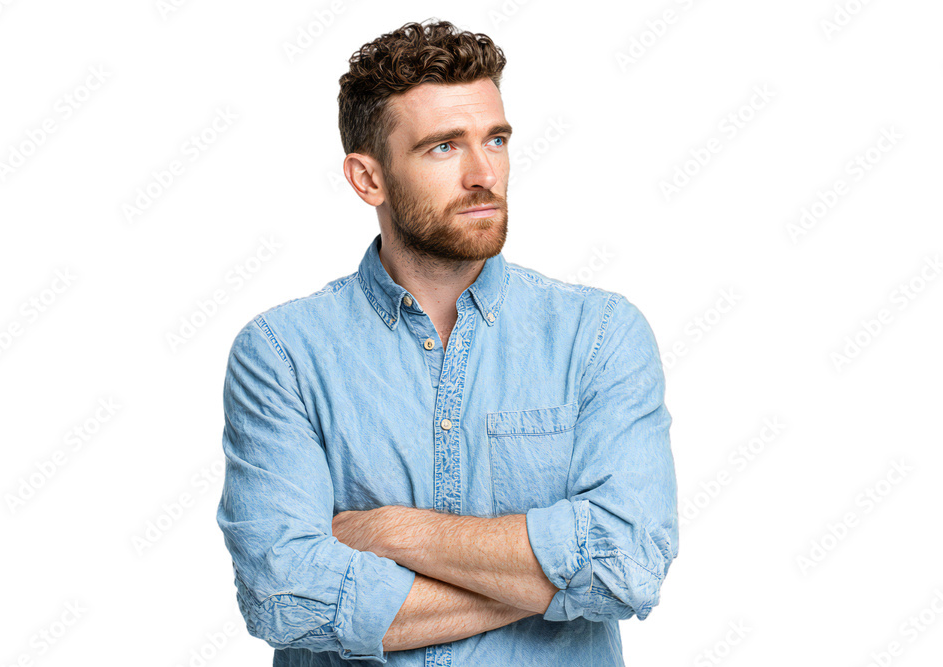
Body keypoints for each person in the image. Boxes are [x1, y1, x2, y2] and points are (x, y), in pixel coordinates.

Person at [216, 18, 678, 666]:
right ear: (368, 179)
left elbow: (629, 564)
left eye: (496, 139)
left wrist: (391, 531)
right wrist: (556, 580)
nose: (484, 173)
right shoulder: (283, 354)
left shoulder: (599, 335)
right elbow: (286, 597)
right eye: (443, 147)